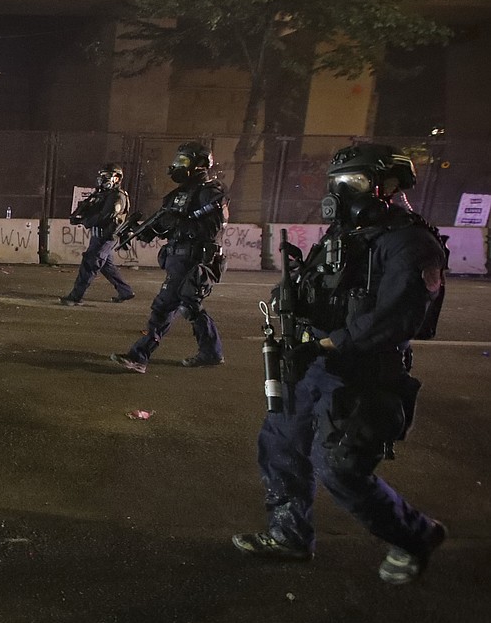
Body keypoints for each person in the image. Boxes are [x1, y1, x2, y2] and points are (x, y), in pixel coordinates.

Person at [232, 144, 449, 585]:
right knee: (281, 443)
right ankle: (289, 534)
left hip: (364, 373)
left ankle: (415, 535)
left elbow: (399, 317)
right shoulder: (345, 233)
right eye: (337, 182)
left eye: (353, 181)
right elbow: (318, 286)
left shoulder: (411, 242)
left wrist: (333, 341)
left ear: (387, 186)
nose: (340, 191)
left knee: (341, 467)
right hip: (315, 363)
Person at [110, 142, 227, 373]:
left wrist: (180, 224)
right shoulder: (180, 194)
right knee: (189, 306)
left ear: (200, 164)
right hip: (180, 258)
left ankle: (139, 356)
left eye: (184, 161)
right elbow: (164, 222)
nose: (177, 166)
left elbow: (212, 230)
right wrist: (143, 232)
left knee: (165, 307)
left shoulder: (210, 192)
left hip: (198, 259)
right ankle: (212, 352)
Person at [59, 163, 135, 305]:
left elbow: (106, 216)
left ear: (117, 178)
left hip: (107, 236)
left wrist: (85, 220)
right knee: (106, 265)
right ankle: (126, 291)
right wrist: (79, 216)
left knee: (90, 263)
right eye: (101, 176)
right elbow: (89, 208)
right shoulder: (102, 194)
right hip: (98, 235)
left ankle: (75, 297)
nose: (102, 179)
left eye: (106, 176)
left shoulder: (118, 196)